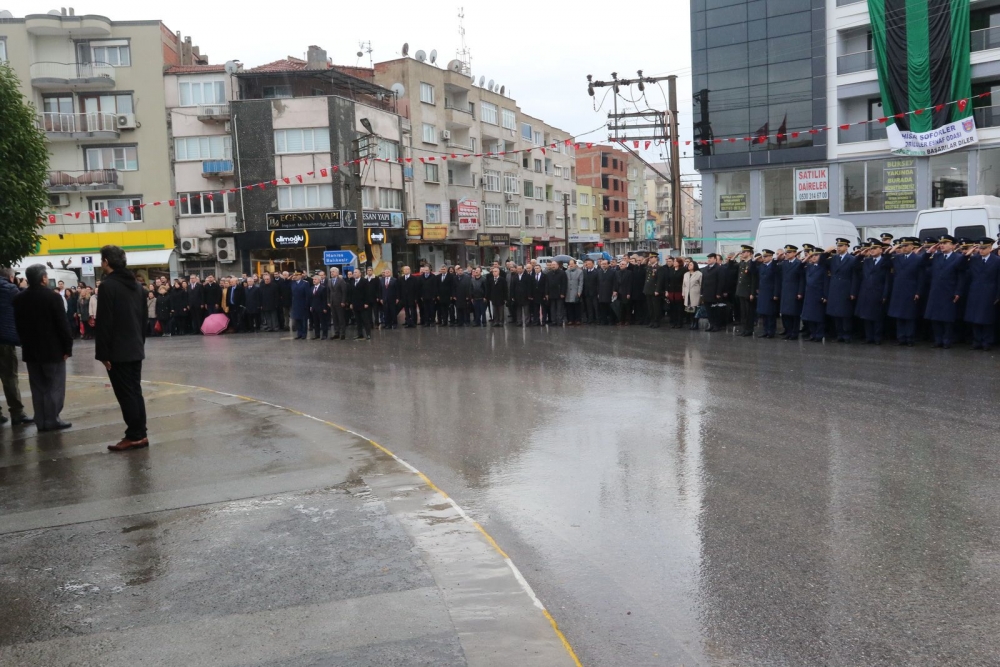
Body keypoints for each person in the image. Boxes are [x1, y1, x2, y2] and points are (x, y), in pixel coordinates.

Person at [94, 246, 148, 450]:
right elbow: (143, 321)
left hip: (118, 350)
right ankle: (140, 433)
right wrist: (139, 343)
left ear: (106, 262)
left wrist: (103, 353)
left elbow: (105, 322)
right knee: (135, 392)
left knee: (126, 394)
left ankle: (135, 435)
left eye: (102, 260)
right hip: (134, 346)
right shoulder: (137, 286)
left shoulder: (109, 286)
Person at [12, 265, 72, 432]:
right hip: (53, 350)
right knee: (54, 385)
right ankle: (52, 419)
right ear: (43, 278)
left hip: (31, 350)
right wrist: (68, 347)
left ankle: (41, 419)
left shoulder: (19, 298)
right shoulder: (53, 298)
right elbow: (62, 325)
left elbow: (19, 326)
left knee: (37, 386)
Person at [0, 267, 32, 426]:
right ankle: (17, 413)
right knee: (10, 377)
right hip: (4, 340)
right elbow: (24, 304)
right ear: (11, 277)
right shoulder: (11, 289)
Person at [923, 235, 967, 349]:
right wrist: (928, 252)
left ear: (953, 245)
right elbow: (922, 264)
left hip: (949, 291)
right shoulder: (937, 256)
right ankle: (938, 340)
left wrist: (958, 291)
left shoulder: (958, 257)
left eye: (945, 243)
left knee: (947, 319)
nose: (942, 245)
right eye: (941, 243)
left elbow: (961, 276)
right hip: (935, 291)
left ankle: (947, 340)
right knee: (935, 318)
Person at [962, 238, 1000, 351]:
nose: (981, 251)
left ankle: (987, 342)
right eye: (980, 248)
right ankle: (977, 340)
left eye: (984, 248)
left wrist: (998, 295)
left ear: (990, 248)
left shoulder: (997, 261)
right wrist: (966, 256)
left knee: (987, 319)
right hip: (975, 291)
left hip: (989, 292)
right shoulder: (974, 259)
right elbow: (961, 268)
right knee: (975, 318)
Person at [855, 241, 892, 344]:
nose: (872, 250)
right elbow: (855, 266)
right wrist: (860, 256)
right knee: (866, 317)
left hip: (878, 292)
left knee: (877, 317)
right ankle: (869, 337)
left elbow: (887, 280)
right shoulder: (867, 261)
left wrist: (885, 294)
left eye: (875, 248)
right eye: (871, 248)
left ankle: (877, 338)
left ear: (881, 249)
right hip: (866, 292)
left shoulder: (884, 261)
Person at [826, 238, 860, 343]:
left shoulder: (852, 259)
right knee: (836, 314)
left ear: (846, 247)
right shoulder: (833, 258)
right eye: (837, 246)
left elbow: (855, 277)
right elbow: (821, 262)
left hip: (846, 289)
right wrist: (826, 252)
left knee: (845, 314)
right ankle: (839, 334)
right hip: (835, 289)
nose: (838, 248)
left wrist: (853, 292)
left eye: (841, 246)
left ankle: (847, 335)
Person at [777, 245, 805, 341]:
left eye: (789, 252)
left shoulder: (798, 263)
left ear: (794, 253)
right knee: (785, 314)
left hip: (794, 291)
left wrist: (800, 292)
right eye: (786, 252)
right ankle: (788, 331)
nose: (787, 254)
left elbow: (801, 279)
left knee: (794, 314)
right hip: (785, 291)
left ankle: (794, 333)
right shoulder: (784, 263)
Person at [801, 247, 827, 342]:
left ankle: (819, 335)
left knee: (818, 317)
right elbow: (799, 269)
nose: (814, 257)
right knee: (809, 317)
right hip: (809, 294)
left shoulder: (823, 267)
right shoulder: (809, 266)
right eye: (812, 256)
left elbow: (826, 282)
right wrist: (806, 259)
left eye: (816, 255)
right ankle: (813, 334)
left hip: (818, 294)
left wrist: (825, 296)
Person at [755, 249, 781, 338]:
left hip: (770, 293)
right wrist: (754, 260)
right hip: (763, 292)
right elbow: (752, 270)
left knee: (771, 314)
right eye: (763, 256)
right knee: (764, 313)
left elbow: (777, 281)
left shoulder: (774, 266)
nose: (764, 258)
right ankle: (765, 331)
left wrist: (776, 294)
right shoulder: (762, 266)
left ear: (771, 257)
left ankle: (771, 331)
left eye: (766, 256)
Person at [734, 245, 759, 337]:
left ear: (749, 253)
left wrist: (752, 293)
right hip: (741, 291)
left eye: (744, 252)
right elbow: (731, 266)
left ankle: (749, 329)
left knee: (749, 312)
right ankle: (744, 329)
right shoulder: (742, 263)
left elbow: (753, 279)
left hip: (748, 291)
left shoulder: (752, 264)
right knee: (743, 312)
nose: (742, 253)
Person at [700, 254, 724, 332]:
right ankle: (711, 324)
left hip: (714, 293)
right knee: (709, 311)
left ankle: (717, 325)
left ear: (715, 259)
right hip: (706, 293)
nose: (709, 259)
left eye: (711, 258)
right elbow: (703, 281)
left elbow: (721, 281)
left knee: (715, 311)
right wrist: (702, 292)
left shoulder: (718, 268)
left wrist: (718, 293)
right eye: (708, 258)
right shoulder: (706, 268)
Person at [643, 254, 666, 328]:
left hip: (655, 290)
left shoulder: (659, 268)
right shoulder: (649, 267)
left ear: (656, 258)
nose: (650, 259)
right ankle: (652, 320)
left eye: (651, 258)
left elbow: (660, 280)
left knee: (656, 307)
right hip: (648, 289)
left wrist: (657, 290)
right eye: (649, 258)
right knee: (650, 307)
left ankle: (656, 321)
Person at [349, 268, 373, 340]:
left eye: (356, 272)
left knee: (365, 320)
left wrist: (366, 303)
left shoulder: (364, 281)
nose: (354, 273)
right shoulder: (352, 282)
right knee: (358, 321)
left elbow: (368, 293)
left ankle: (368, 334)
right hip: (355, 304)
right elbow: (351, 294)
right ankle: (360, 334)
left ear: (360, 274)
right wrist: (351, 303)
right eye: (354, 272)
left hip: (363, 304)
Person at [327, 268, 348, 339]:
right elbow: (328, 292)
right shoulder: (329, 281)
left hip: (339, 302)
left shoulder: (341, 281)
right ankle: (336, 333)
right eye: (331, 272)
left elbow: (344, 292)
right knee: (335, 319)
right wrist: (329, 301)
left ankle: (342, 333)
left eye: (333, 272)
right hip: (332, 302)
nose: (331, 273)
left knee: (341, 318)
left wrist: (343, 301)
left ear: (337, 272)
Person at [545, 261, 568, 326]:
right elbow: (547, 284)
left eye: (554, 265)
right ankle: (553, 321)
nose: (553, 266)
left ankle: (559, 321)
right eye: (552, 265)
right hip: (551, 294)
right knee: (552, 309)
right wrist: (546, 293)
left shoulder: (562, 273)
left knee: (559, 308)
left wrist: (563, 293)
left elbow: (564, 284)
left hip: (559, 294)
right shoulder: (548, 274)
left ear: (558, 265)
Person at [682, 260, 702, 330]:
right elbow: (684, 285)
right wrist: (683, 293)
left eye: (691, 265)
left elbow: (701, 284)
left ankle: (696, 323)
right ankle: (691, 323)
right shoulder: (686, 274)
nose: (689, 266)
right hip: (687, 294)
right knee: (689, 310)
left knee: (695, 310)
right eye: (689, 265)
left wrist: (701, 294)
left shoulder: (699, 274)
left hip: (695, 294)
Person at [308, 275, 329, 340]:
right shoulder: (311, 288)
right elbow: (311, 298)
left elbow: (324, 299)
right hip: (314, 308)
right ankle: (317, 335)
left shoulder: (323, 288)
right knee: (316, 322)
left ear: (319, 280)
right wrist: (311, 306)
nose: (314, 280)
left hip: (321, 308)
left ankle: (324, 335)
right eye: (313, 279)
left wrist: (325, 308)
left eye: (315, 279)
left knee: (323, 322)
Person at [613, 258, 633, 326]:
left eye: (623, 264)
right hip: (619, 292)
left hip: (626, 292)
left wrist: (628, 293)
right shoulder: (617, 272)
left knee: (627, 307)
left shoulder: (629, 273)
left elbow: (630, 283)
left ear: (626, 265)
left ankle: (628, 320)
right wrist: (615, 290)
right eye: (620, 264)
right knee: (620, 307)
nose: (621, 265)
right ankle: (621, 320)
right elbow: (615, 282)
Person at [581, 259, 600, 325]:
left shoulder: (597, 272)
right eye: (587, 264)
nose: (588, 265)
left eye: (589, 264)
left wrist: (598, 292)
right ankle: (590, 319)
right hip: (587, 293)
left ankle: (597, 319)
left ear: (593, 264)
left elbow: (598, 283)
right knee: (589, 307)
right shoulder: (584, 272)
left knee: (596, 307)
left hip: (594, 293)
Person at [565, 259, 584, 325]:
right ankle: (570, 320)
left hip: (576, 291)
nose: (571, 265)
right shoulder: (566, 271)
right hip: (568, 292)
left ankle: (578, 319)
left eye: (572, 264)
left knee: (577, 307)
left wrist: (579, 292)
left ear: (575, 264)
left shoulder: (580, 272)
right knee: (569, 307)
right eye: (570, 264)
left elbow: (580, 283)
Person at [597, 259, 615, 325]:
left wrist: (614, 290)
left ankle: (611, 320)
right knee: (602, 307)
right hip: (601, 292)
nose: (603, 265)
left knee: (609, 307)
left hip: (609, 292)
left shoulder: (612, 272)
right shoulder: (599, 272)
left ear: (608, 264)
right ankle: (603, 320)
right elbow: (597, 283)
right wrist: (598, 292)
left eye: (605, 264)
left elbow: (614, 282)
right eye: (602, 264)